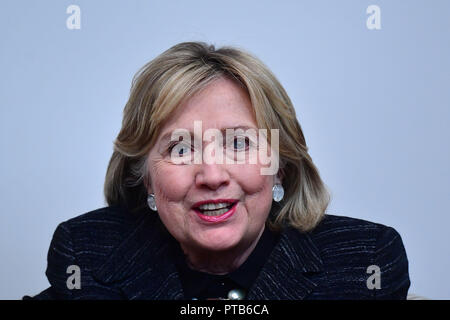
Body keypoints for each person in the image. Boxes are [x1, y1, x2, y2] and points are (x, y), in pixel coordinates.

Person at [24, 42, 410, 300]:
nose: (211, 175)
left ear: (279, 167)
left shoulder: (363, 264)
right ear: (144, 176)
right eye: (180, 148)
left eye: (239, 143)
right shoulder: (88, 256)